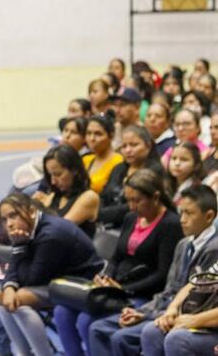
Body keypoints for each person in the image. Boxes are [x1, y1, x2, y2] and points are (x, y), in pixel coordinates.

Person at [53, 170, 183, 356]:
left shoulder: (170, 224)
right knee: (62, 312)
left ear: (155, 197)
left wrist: (124, 288)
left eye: (137, 200)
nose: (131, 206)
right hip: (117, 288)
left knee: (85, 321)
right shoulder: (131, 218)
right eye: (128, 200)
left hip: (143, 294)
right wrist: (107, 277)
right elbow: (116, 258)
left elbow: (162, 274)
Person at [88, 185, 218, 356]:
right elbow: (182, 288)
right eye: (181, 212)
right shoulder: (184, 244)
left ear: (209, 216)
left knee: (140, 336)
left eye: (189, 213)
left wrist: (161, 315)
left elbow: (200, 305)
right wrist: (147, 312)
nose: (182, 219)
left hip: (202, 320)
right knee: (96, 327)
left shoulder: (213, 249)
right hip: (172, 310)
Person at [0, 193, 103, 356]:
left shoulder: (51, 235)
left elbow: (31, 280)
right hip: (59, 280)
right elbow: (20, 270)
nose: (9, 224)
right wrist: (9, 286)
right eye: (5, 219)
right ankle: (24, 353)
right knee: (0, 291)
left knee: (20, 298)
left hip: (83, 285)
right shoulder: (28, 228)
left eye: (13, 215)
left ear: (31, 211)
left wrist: (19, 247)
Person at [99, 125, 164, 228]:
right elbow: (104, 195)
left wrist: (102, 214)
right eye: (124, 146)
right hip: (106, 225)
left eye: (134, 145)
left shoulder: (154, 172)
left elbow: (136, 206)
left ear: (148, 145)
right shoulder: (119, 168)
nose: (128, 150)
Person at [32, 145, 100, 237]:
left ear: (74, 170)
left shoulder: (89, 197)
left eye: (58, 174)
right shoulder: (53, 196)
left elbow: (60, 229)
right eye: (50, 175)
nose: (53, 181)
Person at [82, 115, 124, 194]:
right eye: (88, 133)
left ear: (111, 136)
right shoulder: (85, 159)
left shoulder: (119, 161)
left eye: (98, 134)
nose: (92, 139)